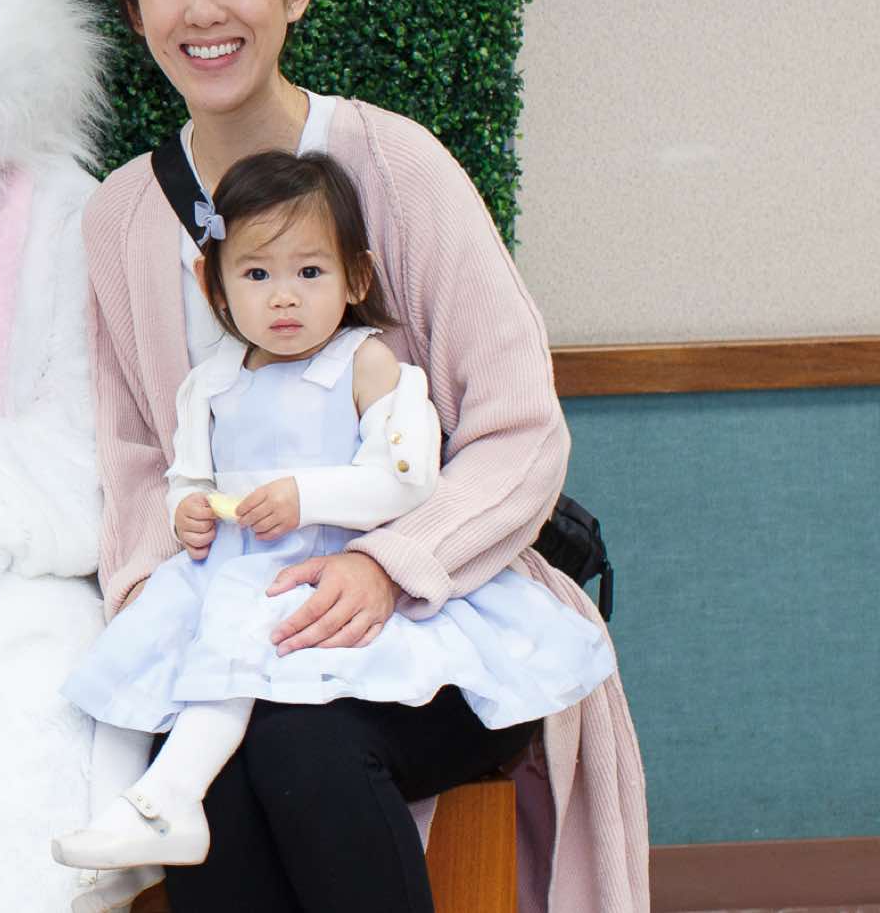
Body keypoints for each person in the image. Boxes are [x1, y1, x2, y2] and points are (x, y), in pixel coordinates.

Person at [83, 0, 648, 912]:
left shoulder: (393, 164)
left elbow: (520, 429)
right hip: (237, 618)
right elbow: (134, 453)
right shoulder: (120, 215)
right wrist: (164, 603)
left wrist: (387, 565)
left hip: (429, 615)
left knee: (298, 747)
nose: (202, 8)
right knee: (208, 768)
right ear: (134, 10)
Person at [53, 150, 614, 875]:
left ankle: (166, 802)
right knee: (129, 673)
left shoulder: (367, 365)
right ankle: (120, 824)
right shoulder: (210, 385)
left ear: (357, 277)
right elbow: (186, 470)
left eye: (310, 272)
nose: (284, 297)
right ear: (213, 283)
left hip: (328, 571)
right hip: (231, 572)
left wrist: (306, 497)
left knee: (242, 682)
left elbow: (406, 480)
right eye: (257, 274)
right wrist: (186, 506)